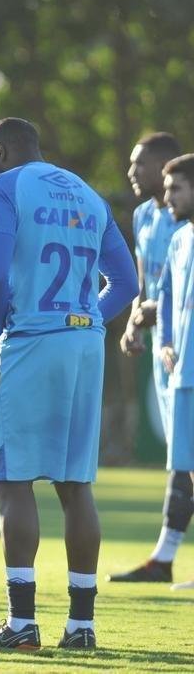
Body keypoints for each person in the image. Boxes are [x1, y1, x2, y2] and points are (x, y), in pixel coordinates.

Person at [0, 117, 136, 651]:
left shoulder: (5, 185)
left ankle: (21, 624)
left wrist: (2, 332)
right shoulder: (88, 193)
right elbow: (127, 282)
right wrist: (89, 315)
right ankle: (81, 626)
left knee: (13, 480)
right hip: (86, 343)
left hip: (31, 339)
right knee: (74, 484)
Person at [110, 133, 191, 584]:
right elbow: (147, 284)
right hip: (168, 351)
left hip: (185, 343)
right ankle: (163, 558)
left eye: (139, 163)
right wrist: (134, 324)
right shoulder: (144, 216)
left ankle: (164, 556)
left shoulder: (186, 221)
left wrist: (161, 313)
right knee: (181, 455)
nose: (131, 172)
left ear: (164, 165)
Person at [156, 154, 194, 591]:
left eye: (176, 188)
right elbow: (165, 294)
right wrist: (165, 338)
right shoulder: (180, 239)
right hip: (183, 373)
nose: (168, 198)